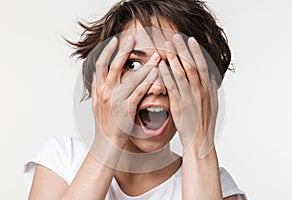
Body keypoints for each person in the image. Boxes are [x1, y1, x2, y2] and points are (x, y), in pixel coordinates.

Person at [23, 0, 247, 199]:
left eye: (173, 65)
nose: (157, 86)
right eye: (134, 64)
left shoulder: (218, 187)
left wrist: (199, 144)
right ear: (104, 81)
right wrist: (107, 141)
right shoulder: (63, 160)